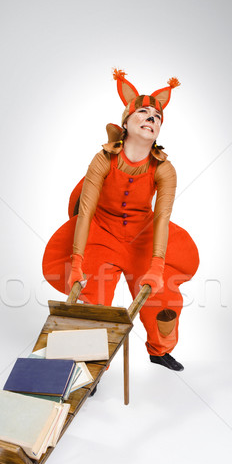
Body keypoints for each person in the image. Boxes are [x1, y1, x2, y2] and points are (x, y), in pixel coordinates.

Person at [42, 69, 199, 371]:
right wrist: (77, 262)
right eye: (143, 111)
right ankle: (90, 365)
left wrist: (155, 267)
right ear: (126, 122)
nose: (151, 117)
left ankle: (159, 350)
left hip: (144, 238)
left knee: (163, 296)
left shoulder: (164, 169)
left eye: (157, 116)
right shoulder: (103, 159)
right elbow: (85, 211)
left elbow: (163, 218)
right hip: (101, 234)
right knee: (94, 300)